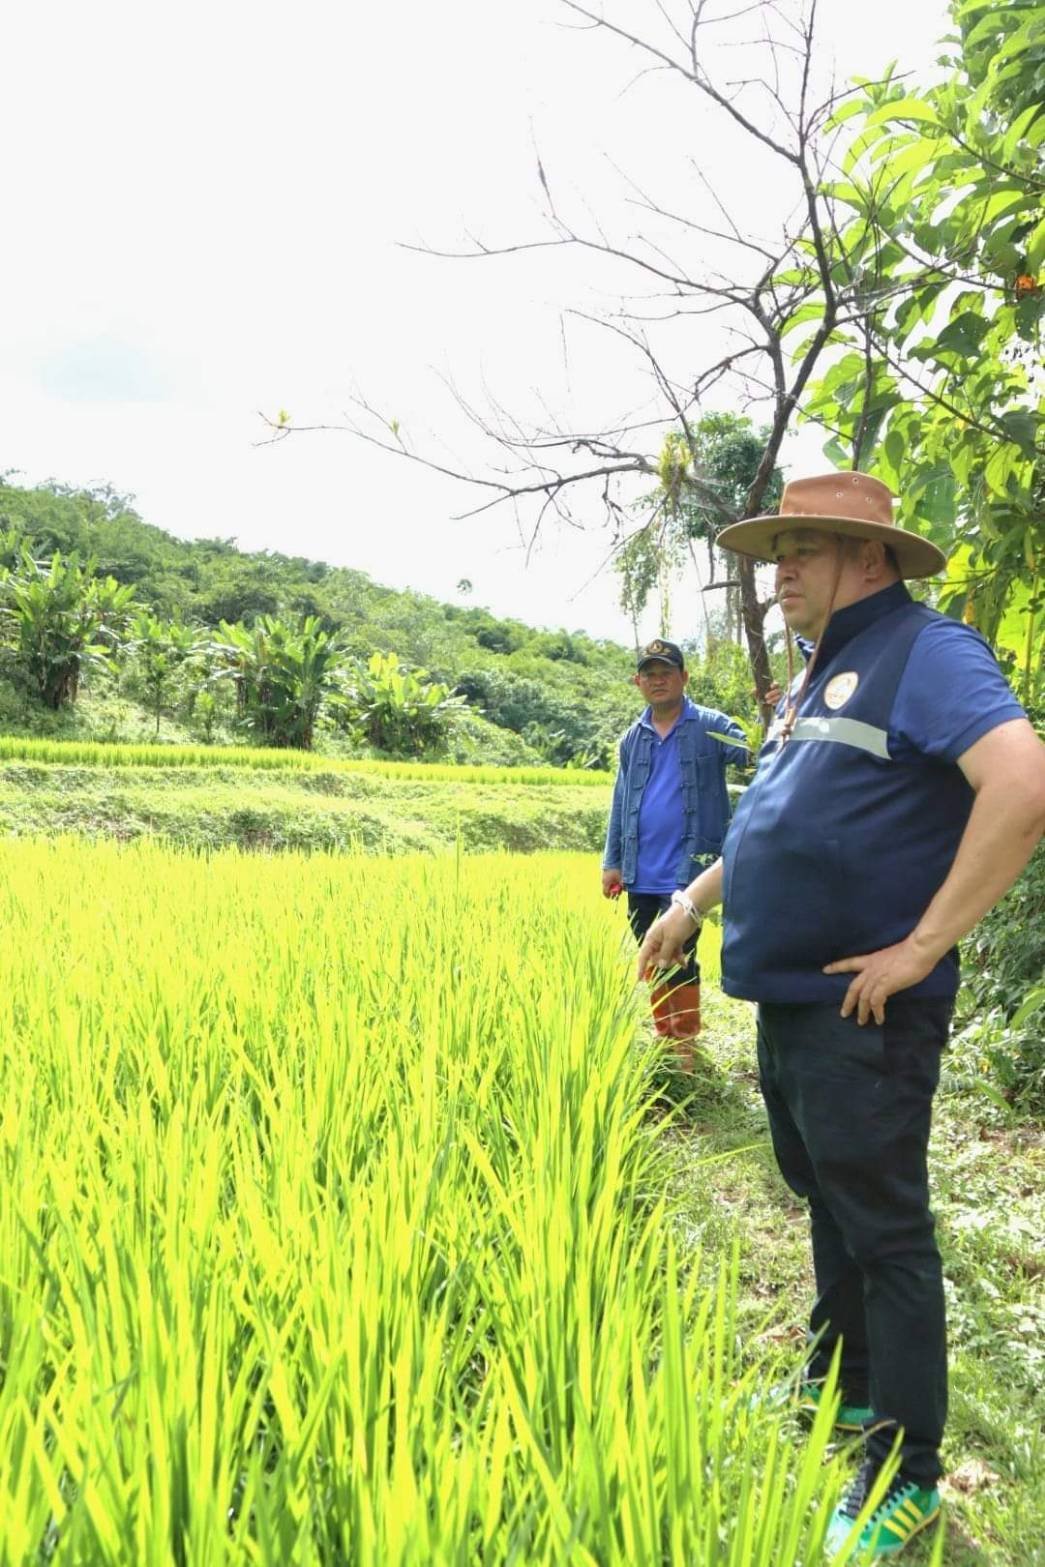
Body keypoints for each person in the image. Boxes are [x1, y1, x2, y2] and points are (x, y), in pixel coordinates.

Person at [637, 473, 1045, 1560]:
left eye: (802, 550)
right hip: (791, 1002)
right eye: (776, 554)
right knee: (826, 1202)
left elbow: (1021, 781)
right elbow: (776, 820)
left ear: (869, 558)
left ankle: (905, 1475)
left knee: (886, 1233)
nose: (779, 575)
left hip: (865, 1012)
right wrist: (686, 905)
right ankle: (846, 1394)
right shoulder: (815, 680)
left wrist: (923, 945)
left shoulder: (925, 650)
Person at [602, 637, 748, 1069]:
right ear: (638, 682)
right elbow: (620, 798)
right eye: (650, 673)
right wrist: (611, 862)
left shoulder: (711, 725)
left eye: (667, 672)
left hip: (690, 871)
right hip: (640, 870)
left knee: (677, 953)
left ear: (684, 678)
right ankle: (667, 1034)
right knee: (651, 952)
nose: (658, 680)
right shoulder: (633, 738)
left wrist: (775, 717)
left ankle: (682, 1044)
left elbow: (761, 755)